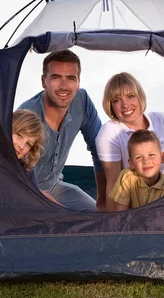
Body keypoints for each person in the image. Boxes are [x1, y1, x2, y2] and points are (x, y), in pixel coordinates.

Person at [19, 50, 106, 211]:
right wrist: (62, 214)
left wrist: (102, 199)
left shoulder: (82, 100)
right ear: (44, 81)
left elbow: (100, 149)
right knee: (65, 227)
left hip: (55, 185)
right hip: (24, 193)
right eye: (56, 77)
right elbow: (14, 179)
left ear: (78, 82)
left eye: (71, 78)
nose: (64, 86)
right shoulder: (27, 117)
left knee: (98, 218)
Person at [96, 72, 164, 210]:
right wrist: (113, 223)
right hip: (131, 203)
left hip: (163, 195)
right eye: (117, 100)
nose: (125, 104)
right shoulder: (108, 133)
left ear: (140, 98)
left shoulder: (161, 121)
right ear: (111, 105)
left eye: (130, 96)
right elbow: (113, 185)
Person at [109, 130, 164, 210]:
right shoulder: (127, 177)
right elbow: (120, 215)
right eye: (139, 157)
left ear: (162, 157)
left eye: (151, 155)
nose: (146, 161)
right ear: (131, 163)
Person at [11, 109, 60, 205]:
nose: (21, 146)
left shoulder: (26, 173)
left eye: (28, 144)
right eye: (19, 135)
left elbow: (37, 199)